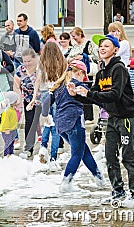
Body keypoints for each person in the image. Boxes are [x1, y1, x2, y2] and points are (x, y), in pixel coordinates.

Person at [73, 34, 134, 207]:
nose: (102, 48)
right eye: (100, 46)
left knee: (128, 157)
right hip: (113, 118)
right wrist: (78, 94)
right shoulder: (102, 71)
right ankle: (118, 192)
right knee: (110, 156)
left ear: (115, 50)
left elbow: (114, 94)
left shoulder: (118, 68)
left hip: (127, 117)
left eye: (106, 46)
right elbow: (96, 97)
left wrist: (88, 93)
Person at [43, 60, 105, 192]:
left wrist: (46, 115)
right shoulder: (78, 85)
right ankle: (66, 182)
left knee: (84, 151)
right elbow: (93, 98)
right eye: (84, 75)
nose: (84, 78)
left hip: (61, 124)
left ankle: (99, 178)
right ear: (79, 72)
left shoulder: (58, 86)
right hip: (74, 121)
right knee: (77, 153)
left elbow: (47, 102)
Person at [27, 43, 67, 169]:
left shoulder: (41, 64)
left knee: (47, 124)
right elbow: (65, 80)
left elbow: (37, 81)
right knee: (56, 127)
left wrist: (33, 98)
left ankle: (43, 148)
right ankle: (53, 157)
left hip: (45, 96)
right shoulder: (62, 63)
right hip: (58, 95)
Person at [13, 48, 43, 158]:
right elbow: (16, 85)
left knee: (51, 122)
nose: (27, 64)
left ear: (35, 59)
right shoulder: (21, 69)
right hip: (28, 99)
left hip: (43, 98)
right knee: (29, 122)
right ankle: (29, 148)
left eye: (29, 61)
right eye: (24, 61)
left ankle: (58, 145)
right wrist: (18, 100)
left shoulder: (41, 68)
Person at [0, 91, 19, 157]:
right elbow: (5, 120)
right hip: (7, 130)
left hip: (12, 129)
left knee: (11, 143)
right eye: (15, 100)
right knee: (8, 143)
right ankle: (7, 155)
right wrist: (6, 129)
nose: (17, 101)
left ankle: (11, 154)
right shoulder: (7, 110)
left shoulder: (11, 109)